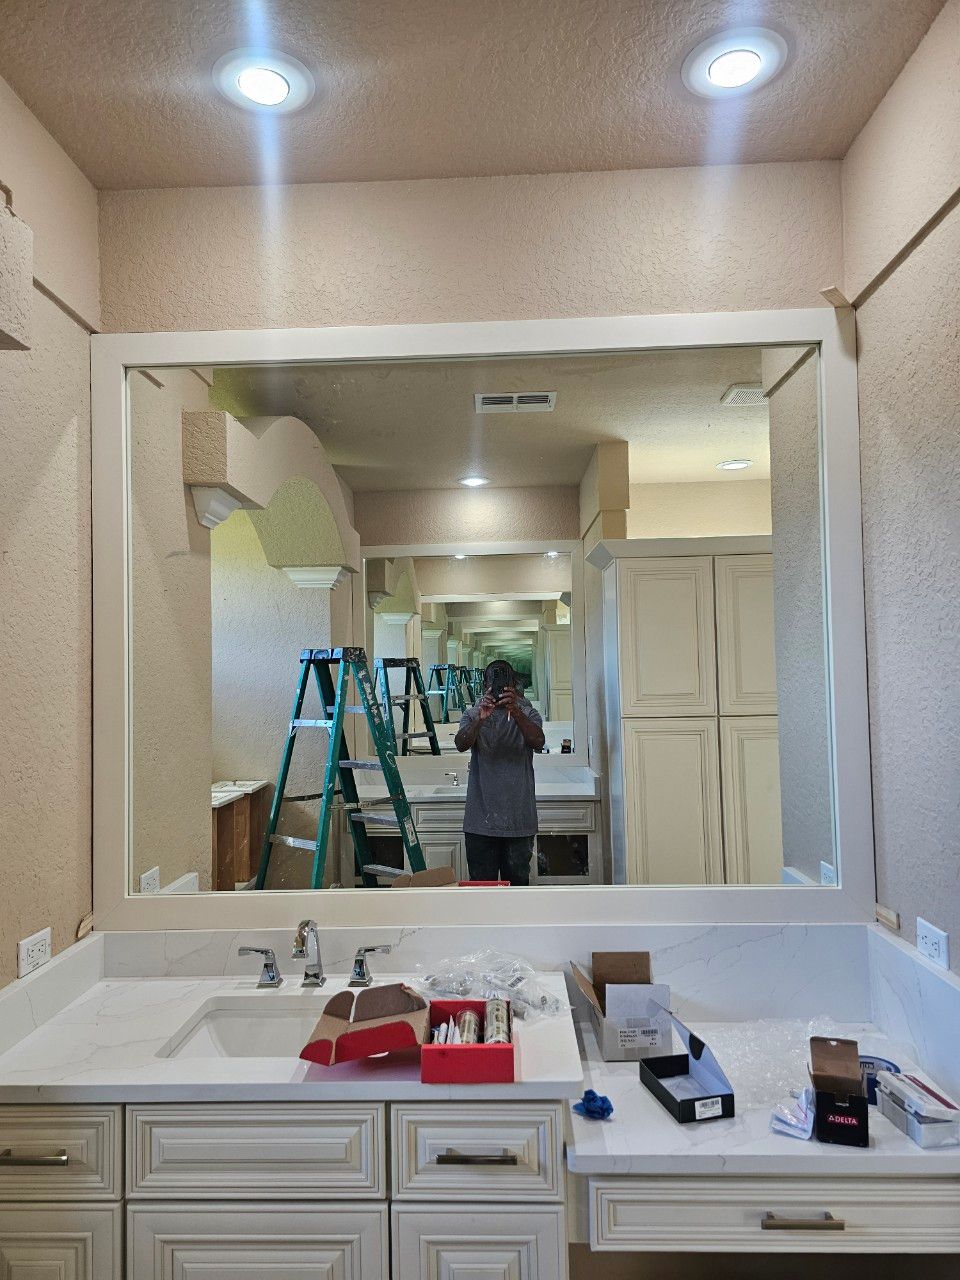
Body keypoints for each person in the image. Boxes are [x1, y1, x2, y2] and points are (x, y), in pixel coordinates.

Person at [454, 659, 545, 885]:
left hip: (518, 822)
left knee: (517, 892)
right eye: (494, 682)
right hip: (480, 822)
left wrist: (515, 711)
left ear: (513, 685)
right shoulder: (473, 714)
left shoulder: (528, 713)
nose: (498, 687)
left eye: (504, 682)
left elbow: (538, 741)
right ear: (485, 685)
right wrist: (480, 719)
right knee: (481, 891)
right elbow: (461, 743)